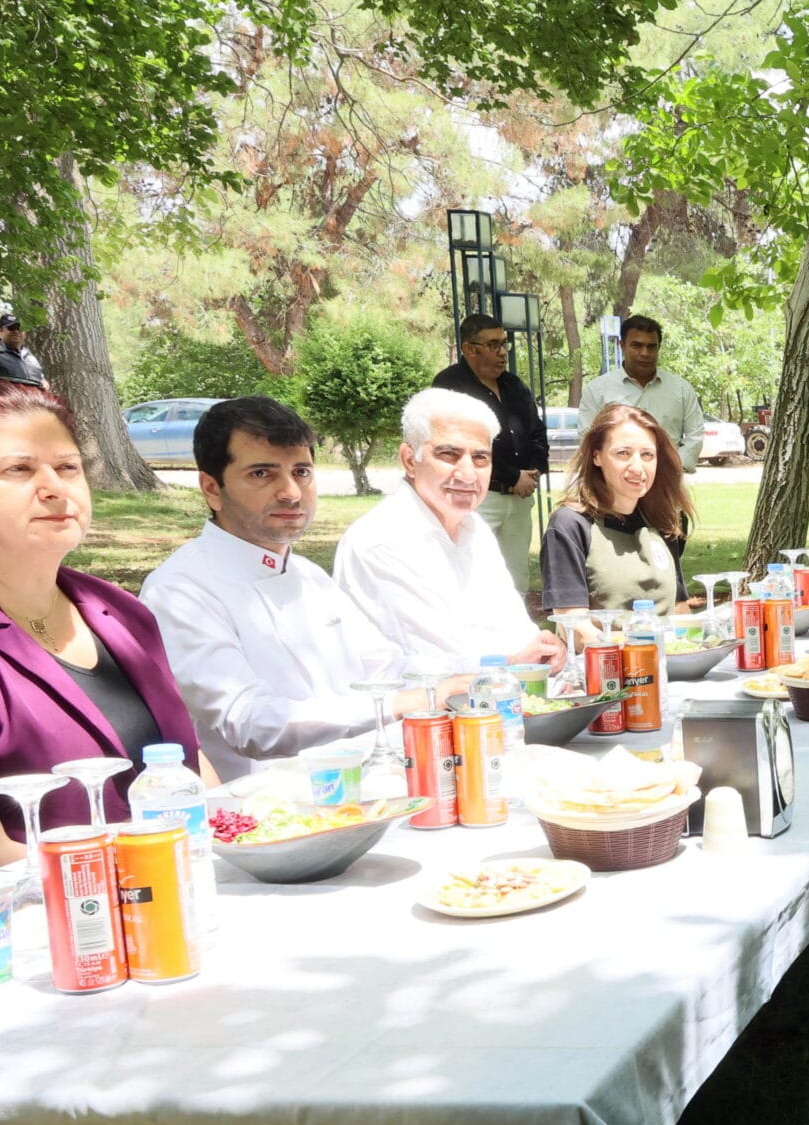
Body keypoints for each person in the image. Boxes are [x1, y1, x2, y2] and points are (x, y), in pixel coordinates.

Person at [140, 397, 470, 781]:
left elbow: (386, 666)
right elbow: (248, 723)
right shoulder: (180, 590)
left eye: (301, 472)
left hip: (375, 781)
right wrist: (400, 703)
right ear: (212, 488)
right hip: (268, 813)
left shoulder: (307, 574)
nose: (291, 493)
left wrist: (479, 676)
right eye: (262, 474)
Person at [0, 383, 206, 857]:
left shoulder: (122, 611)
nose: (54, 488)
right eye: (19, 469)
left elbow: (187, 764)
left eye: (68, 467)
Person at [332, 388, 567, 676]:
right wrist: (516, 662)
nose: (468, 474)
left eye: (480, 458)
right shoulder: (382, 541)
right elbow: (432, 663)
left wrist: (543, 649)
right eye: (449, 454)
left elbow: (513, 627)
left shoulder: (474, 527)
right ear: (409, 459)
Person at [541, 402, 698, 614]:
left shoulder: (663, 519)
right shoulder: (570, 525)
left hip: (668, 646)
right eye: (623, 453)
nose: (637, 467)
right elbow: (575, 630)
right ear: (596, 456)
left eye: (647, 455)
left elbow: (680, 609)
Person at [433, 314, 548, 591]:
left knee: (515, 578)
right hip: (477, 498)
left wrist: (533, 472)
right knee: (474, 576)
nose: (502, 352)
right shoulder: (450, 386)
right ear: (469, 349)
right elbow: (457, 445)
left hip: (519, 499)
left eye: (504, 344)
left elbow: (536, 431)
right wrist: (512, 477)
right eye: (493, 345)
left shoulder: (514, 385)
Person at [580, 313, 705, 472]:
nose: (645, 353)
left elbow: (695, 434)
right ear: (622, 345)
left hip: (667, 483)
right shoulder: (598, 390)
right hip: (616, 484)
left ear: (659, 347)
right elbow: (587, 438)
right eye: (636, 345)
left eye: (651, 346)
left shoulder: (681, 389)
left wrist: (674, 467)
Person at [0, 313, 43, 387]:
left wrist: (43, 380)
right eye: (11, 328)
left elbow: (41, 379)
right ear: (0, 330)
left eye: (20, 328)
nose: (16, 331)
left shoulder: (31, 357)